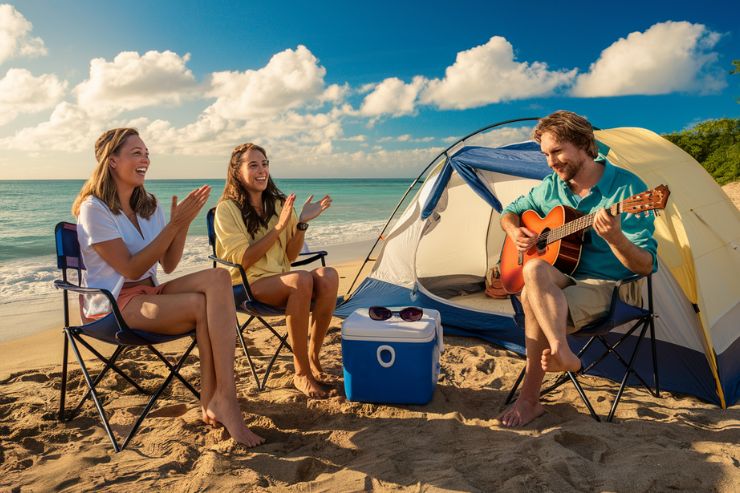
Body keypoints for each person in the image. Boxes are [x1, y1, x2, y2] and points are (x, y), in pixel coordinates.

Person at [73, 128, 264, 447]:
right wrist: (174, 225)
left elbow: (169, 264)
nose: (145, 159)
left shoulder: (148, 206)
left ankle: (217, 399)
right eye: (136, 153)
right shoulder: (95, 209)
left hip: (152, 293)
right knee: (202, 305)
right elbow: (131, 268)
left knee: (218, 280)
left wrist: (183, 224)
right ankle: (222, 401)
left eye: (146, 152)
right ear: (112, 161)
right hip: (116, 306)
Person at [498, 111, 657, 427]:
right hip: (564, 275)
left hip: (609, 285)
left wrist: (615, 239)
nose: (551, 162)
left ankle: (529, 400)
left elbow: (646, 265)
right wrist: (515, 231)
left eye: (557, 151)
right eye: (545, 154)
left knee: (532, 296)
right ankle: (561, 350)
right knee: (533, 272)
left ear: (585, 144)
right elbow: (510, 212)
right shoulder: (552, 186)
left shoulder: (629, 190)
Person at [214, 143, 338, 399]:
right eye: (254, 165)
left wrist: (301, 223)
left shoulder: (280, 203)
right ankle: (301, 373)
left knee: (329, 276)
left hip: (285, 281)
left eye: (265, 164)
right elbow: (244, 260)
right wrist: (279, 228)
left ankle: (313, 358)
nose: (262, 170)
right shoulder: (227, 209)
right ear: (236, 171)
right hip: (246, 285)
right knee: (301, 278)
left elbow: (290, 256)